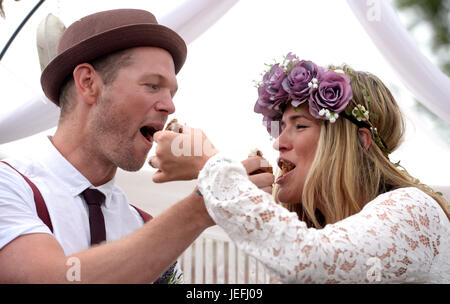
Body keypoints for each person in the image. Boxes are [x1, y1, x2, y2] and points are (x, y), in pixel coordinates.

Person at [0, 8, 273, 283]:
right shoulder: (9, 184)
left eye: (171, 92)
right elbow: (52, 278)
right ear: (88, 83)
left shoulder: (142, 224)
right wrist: (202, 206)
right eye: (153, 85)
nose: (169, 105)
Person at [151, 53, 450, 283]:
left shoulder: (414, 210)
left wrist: (210, 164)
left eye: (300, 125)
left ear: (360, 141)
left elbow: (308, 260)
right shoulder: (323, 230)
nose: (279, 143)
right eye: (281, 128)